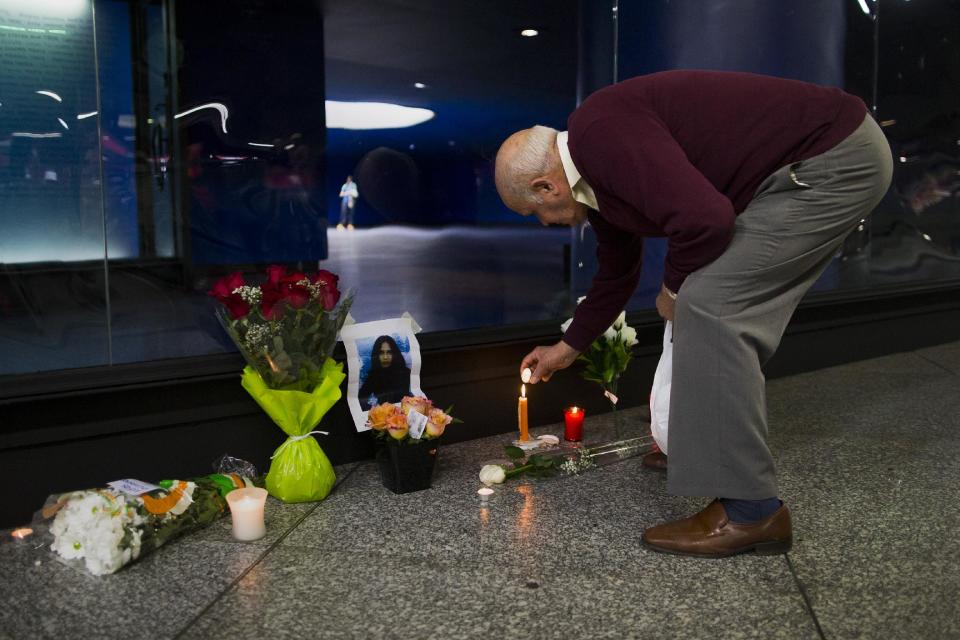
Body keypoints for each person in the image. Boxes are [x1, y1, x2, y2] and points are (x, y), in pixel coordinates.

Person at [495, 70, 892, 558]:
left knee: (709, 303)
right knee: (704, 298)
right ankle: (701, 451)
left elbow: (706, 219)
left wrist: (673, 291)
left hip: (831, 160)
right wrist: (567, 347)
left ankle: (752, 512)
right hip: (814, 163)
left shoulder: (601, 135)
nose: (543, 223)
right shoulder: (597, 175)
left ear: (545, 185)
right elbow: (616, 274)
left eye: (534, 213)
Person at [358, 335, 411, 410]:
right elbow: (360, 397)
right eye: (381, 353)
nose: (385, 357)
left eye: (389, 352)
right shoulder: (374, 376)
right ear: (377, 355)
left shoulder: (405, 373)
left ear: (394, 354)